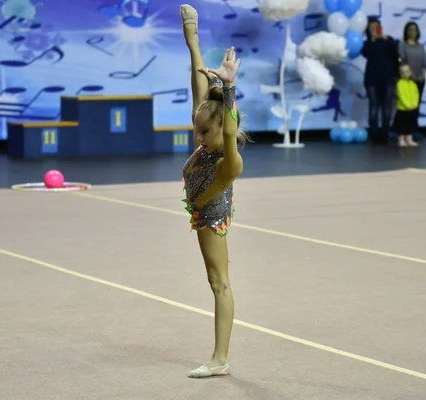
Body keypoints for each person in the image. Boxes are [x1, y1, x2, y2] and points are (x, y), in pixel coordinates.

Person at [180, 3, 250, 379]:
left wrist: (230, 88)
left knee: (219, 282)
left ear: (221, 128)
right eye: (196, 130)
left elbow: (226, 130)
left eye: (204, 131)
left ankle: (220, 357)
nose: (198, 137)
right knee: (215, 281)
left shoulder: (228, 161)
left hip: (211, 218)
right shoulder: (205, 137)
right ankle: (193, 38)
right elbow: (199, 88)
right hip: (199, 212)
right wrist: (192, 41)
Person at [361, 17, 400, 144]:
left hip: (388, 78)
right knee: (373, 106)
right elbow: (367, 53)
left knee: (386, 107)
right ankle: (374, 134)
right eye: (371, 27)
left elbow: (396, 50)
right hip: (372, 79)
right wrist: (372, 40)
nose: (374, 29)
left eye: (376, 26)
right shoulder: (366, 44)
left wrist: (385, 38)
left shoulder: (388, 40)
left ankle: (385, 133)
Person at [398, 21, 426, 129]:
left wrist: (422, 76)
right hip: (408, 80)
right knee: (406, 106)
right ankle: (403, 130)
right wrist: (411, 76)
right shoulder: (403, 45)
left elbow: (425, 64)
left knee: (416, 105)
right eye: (410, 30)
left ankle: (414, 128)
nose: (412, 32)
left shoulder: (420, 46)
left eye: (414, 29)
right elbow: (401, 62)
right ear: (406, 31)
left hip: (420, 80)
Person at [393, 64, 420, 147]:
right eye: (403, 72)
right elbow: (401, 96)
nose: (406, 73)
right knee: (401, 126)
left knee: (410, 125)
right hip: (403, 109)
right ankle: (401, 140)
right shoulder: (400, 84)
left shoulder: (413, 84)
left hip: (412, 109)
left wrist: (415, 104)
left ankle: (409, 140)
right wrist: (408, 105)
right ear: (400, 74)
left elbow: (416, 95)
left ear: (410, 72)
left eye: (407, 71)